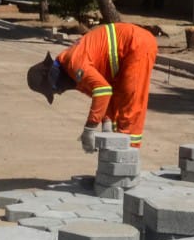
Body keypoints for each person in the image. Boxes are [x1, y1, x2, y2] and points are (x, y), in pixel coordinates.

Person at [26, 21, 159, 149]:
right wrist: (107, 127)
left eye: (55, 90)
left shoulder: (74, 63)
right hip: (127, 51)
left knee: (131, 101)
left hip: (136, 44)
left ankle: (129, 154)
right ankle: (118, 155)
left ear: (53, 78)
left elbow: (103, 90)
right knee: (119, 101)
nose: (60, 93)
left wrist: (89, 128)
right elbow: (105, 98)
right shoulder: (73, 76)